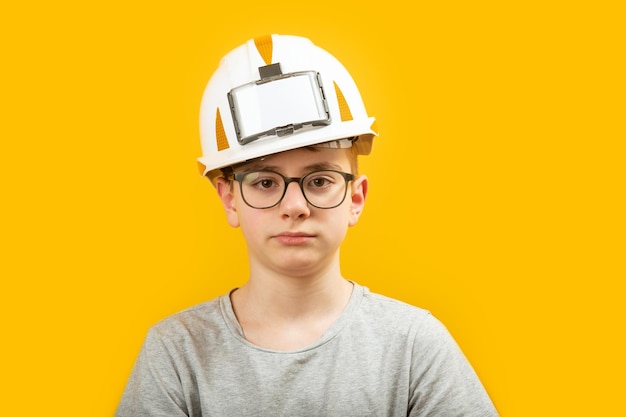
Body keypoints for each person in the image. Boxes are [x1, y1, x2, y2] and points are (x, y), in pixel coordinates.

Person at [116, 34, 499, 416]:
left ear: (355, 198)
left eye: (319, 181)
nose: (295, 206)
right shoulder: (177, 352)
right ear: (229, 200)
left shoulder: (414, 346)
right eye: (265, 182)